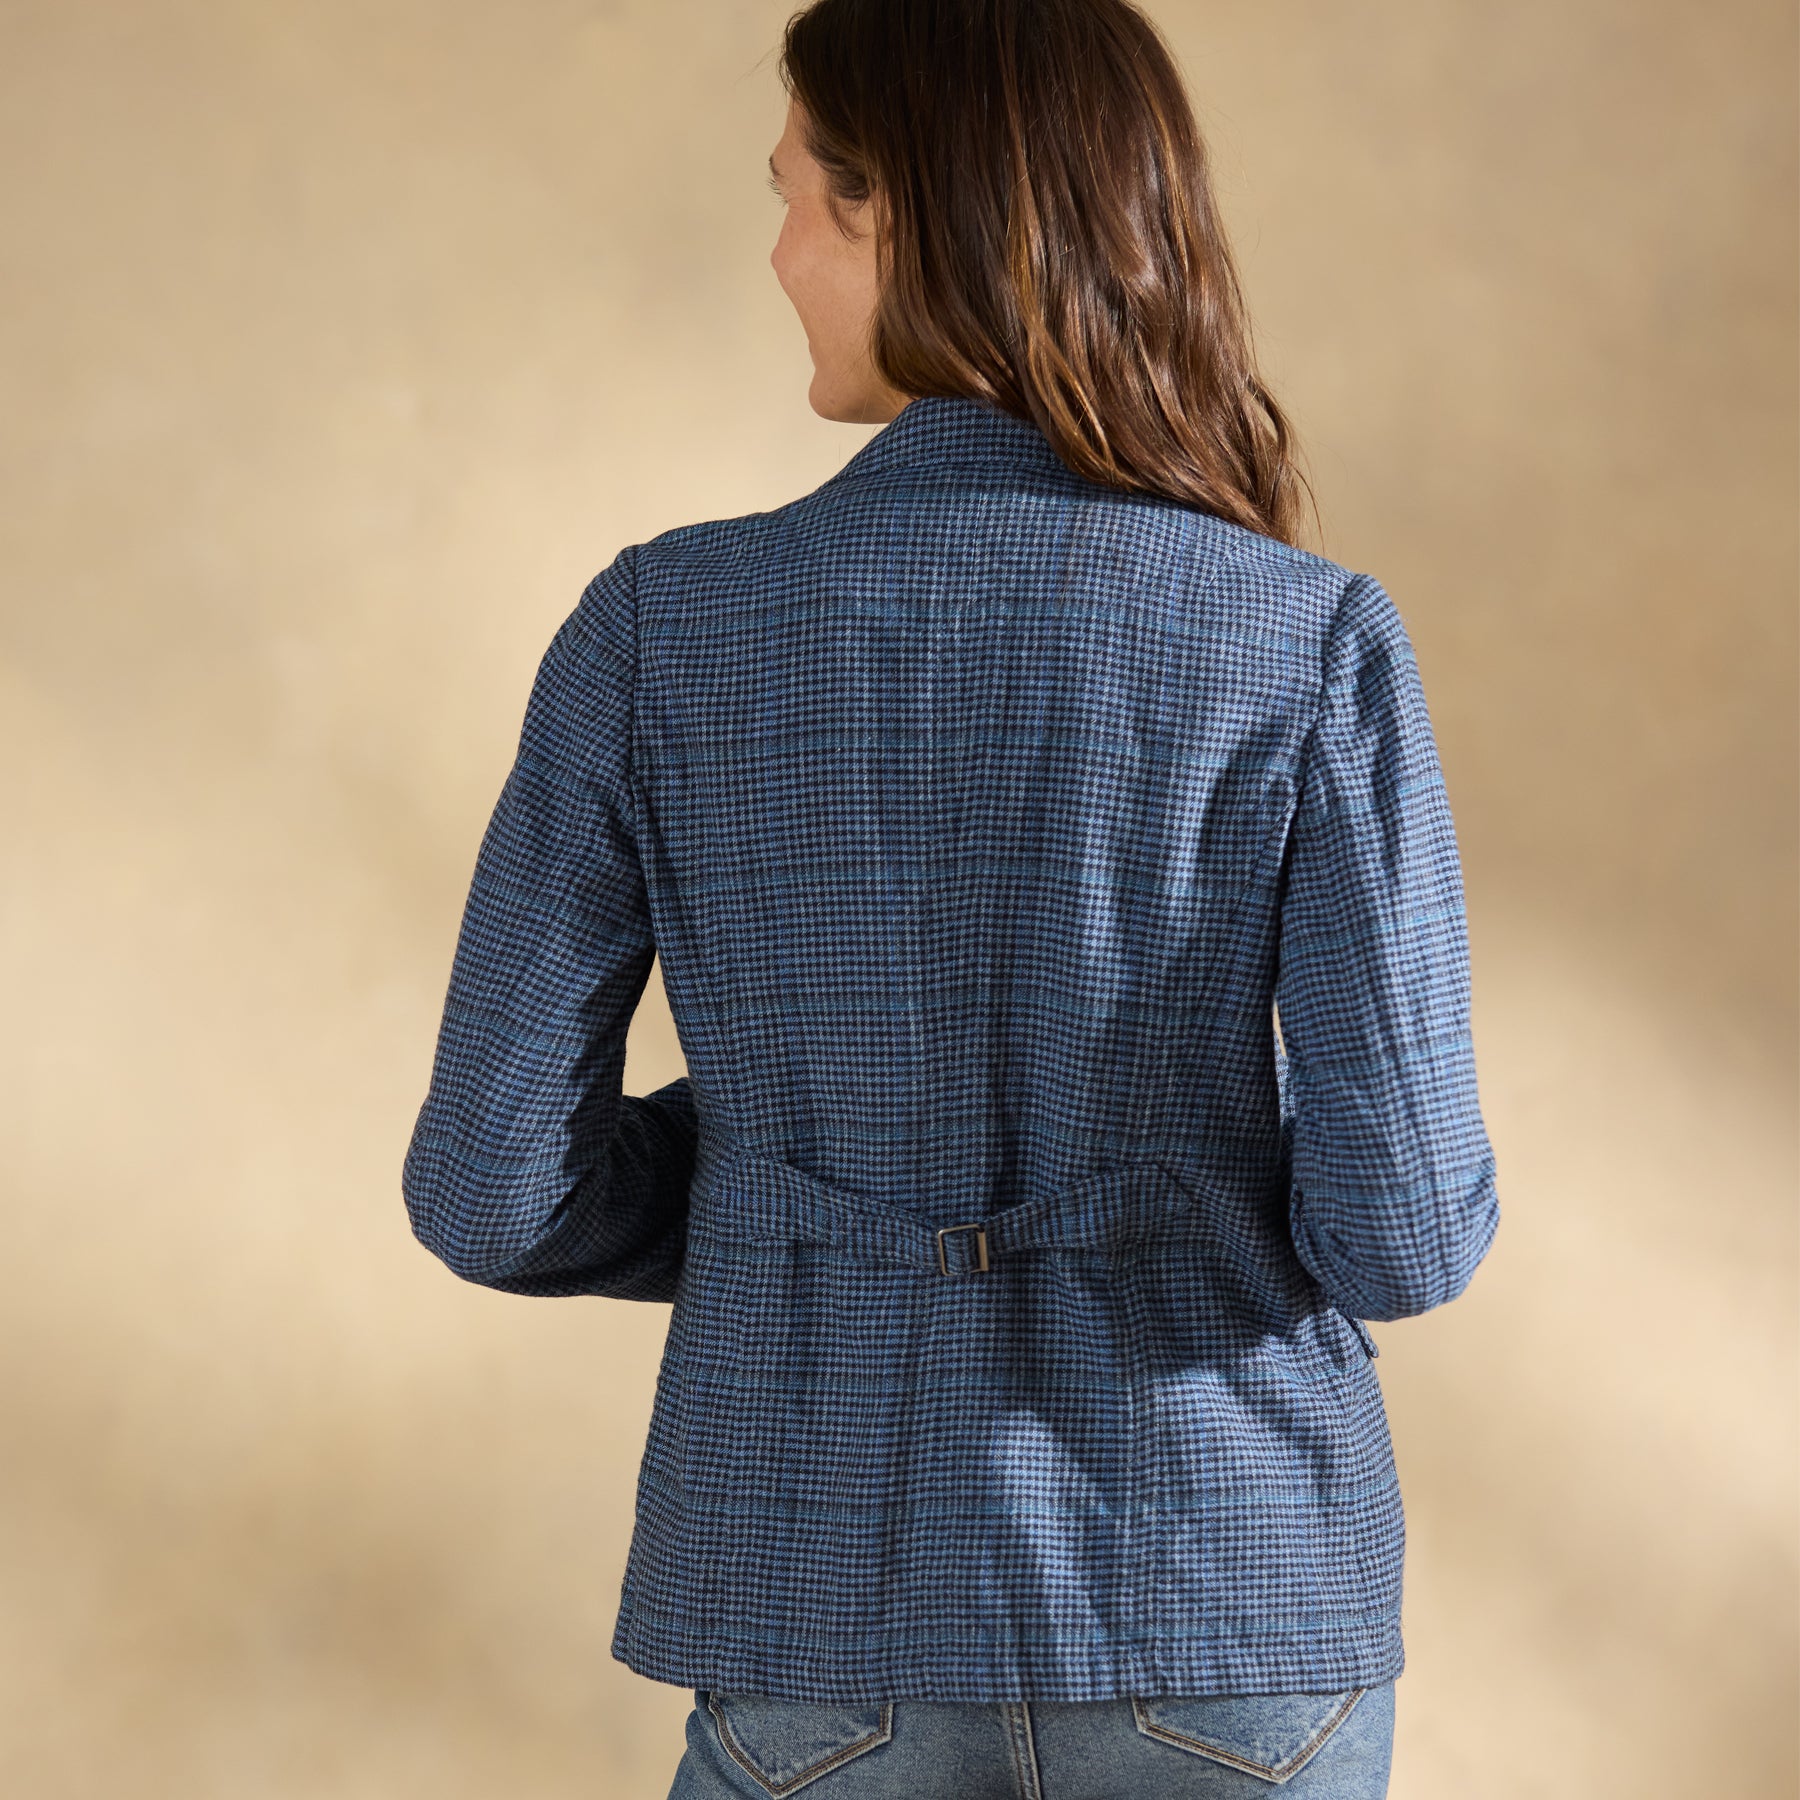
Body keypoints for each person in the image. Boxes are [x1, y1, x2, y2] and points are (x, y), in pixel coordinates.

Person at [400, 0, 1501, 1793]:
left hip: (814, 1600)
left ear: (901, 211)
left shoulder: (660, 632)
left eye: (793, 198)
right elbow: (1406, 1238)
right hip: (1225, 1610)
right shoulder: (1307, 642)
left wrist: (787, 1181)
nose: (774, 254)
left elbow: (490, 1192)